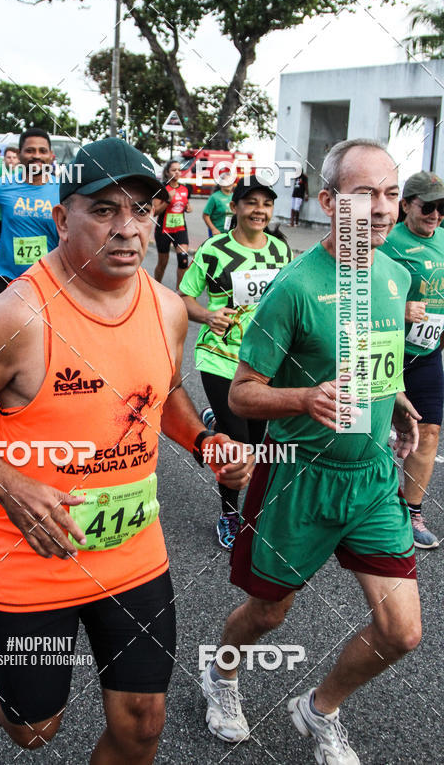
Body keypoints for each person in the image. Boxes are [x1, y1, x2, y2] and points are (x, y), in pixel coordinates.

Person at [0, 136, 252, 760]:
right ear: (61, 216)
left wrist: (206, 442)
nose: (128, 229)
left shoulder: (169, 309)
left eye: (142, 210)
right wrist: (11, 486)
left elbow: (165, 392)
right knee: (33, 729)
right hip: (32, 552)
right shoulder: (17, 316)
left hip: (132, 547)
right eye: (104, 210)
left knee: (142, 725)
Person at [201, 139, 422, 765]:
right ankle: (221, 675)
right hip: (299, 477)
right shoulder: (293, 288)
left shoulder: (395, 272)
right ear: (327, 201)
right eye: (362, 194)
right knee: (270, 613)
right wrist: (304, 400)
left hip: (372, 476)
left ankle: (319, 708)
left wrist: (396, 395)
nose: (381, 209)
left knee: (402, 631)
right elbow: (241, 396)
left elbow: (380, 355)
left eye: (388, 192)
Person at [179, 176, 292, 549]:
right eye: (251, 202)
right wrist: (208, 316)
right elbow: (185, 297)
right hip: (220, 357)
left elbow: (289, 300)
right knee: (238, 448)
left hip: (263, 362)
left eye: (265, 203)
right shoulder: (214, 249)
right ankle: (230, 514)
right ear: (235, 207)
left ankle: (218, 420)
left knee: (258, 446)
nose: (259, 210)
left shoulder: (280, 251)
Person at [381, 170, 444, 549]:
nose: (435, 215)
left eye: (442, 208)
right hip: (385, 350)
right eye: (428, 207)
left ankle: (412, 511)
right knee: (365, 432)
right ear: (405, 205)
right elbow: (358, 289)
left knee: (430, 431)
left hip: (428, 352)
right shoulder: (387, 242)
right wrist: (397, 309)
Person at [0, 131, 59, 296]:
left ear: (51, 156)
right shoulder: (3, 185)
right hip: (7, 277)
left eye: (42, 151)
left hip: (49, 279)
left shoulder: (64, 190)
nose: (36, 156)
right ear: (19, 154)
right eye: (30, 150)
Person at [153, 160, 192, 288]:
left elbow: (184, 203)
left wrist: (187, 207)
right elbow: (155, 212)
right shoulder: (162, 189)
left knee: (183, 260)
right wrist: (168, 200)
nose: (177, 172)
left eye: (179, 170)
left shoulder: (185, 189)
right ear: (167, 172)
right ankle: (156, 289)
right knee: (162, 263)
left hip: (180, 229)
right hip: (163, 230)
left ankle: (179, 294)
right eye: (173, 170)